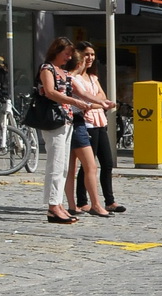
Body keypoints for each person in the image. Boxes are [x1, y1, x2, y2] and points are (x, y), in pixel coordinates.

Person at [35, 38, 98, 225]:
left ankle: (58, 204)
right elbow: (50, 92)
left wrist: (94, 103)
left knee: (63, 166)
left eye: (70, 54)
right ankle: (53, 206)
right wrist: (75, 102)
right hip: (53, 120)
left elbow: (77, 91)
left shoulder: (63, 71)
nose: (69, 57)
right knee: (55, 164)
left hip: (67, 120)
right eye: (66, 53)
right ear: (57, 51)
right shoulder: (47, 69)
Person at [72, 43, 123, 215]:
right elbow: (91, 99)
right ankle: (82, 201)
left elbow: (102, 96)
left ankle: (110, 200)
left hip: (100, 121)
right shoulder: (75, 78)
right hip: (86, 122)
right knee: (88, 165)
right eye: (87, 54)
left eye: (93, 54)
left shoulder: (93, 77)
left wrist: (99, 101)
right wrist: (98, 101)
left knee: (107, 163)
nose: (90, 58)